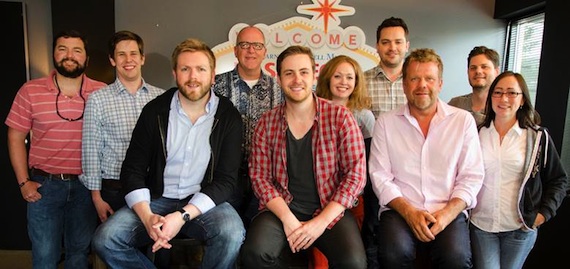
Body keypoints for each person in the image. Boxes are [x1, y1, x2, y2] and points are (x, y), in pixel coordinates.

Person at [92, 38, 245, 268]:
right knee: (105, 239)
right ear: (175, 73)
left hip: (202, 200)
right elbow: (132, 169)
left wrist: (182, 216)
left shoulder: (228, 116)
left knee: (232, 233)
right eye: (185, 69)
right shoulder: (155, 110)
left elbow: (226, 180)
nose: (193, 77)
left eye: (201, 69)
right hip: (156, 199)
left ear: (213, 75)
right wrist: (147, 217)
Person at [241, 45, 367, 269]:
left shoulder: (340, 117)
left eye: (303, 72)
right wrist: (289, 220)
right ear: (279, 79)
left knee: (354, 263)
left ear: (314, 75)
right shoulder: (266, 122)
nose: (296, 79)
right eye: (289, 73)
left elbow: (356, 175)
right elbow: (259, 178)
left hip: (328, 209)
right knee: (255, 253)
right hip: (282, 209)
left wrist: (320, 223)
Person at [368, 48, 485, 268]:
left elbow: (471, 176)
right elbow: (380, 176)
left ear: (440, 83)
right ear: (404, 84)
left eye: (429, 79)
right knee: (394, 254)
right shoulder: (386, 122)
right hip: (400, 209)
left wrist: (447, 214)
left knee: (456, 258)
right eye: (414, 78)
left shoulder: (462, 121)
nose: (422, 85)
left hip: (447, 209)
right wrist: (410, 212)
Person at [5, 30, 106, 269]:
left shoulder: (102, 92)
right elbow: (15, 137)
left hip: (86, 185)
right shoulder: (30, 90)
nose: (69, 55)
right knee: (44, 255)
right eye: (62, 49)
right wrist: (23, 182)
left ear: (87, 59)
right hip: (44, 186)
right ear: (54, 54)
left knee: (80, 253)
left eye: (77, 50)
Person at [469, 71, 569, 269]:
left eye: (512, 93)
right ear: (490, 97)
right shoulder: (476, 132)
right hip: (481, 225)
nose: (503, 98)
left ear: (522, 99)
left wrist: (543, 215)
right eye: (497, 92)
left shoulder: (537, 137)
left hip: (519, 227)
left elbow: (559, 180)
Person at [81, 30, 164, 222]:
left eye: (134, 53)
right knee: (111, 244)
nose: (128, 60)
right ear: (112, 60)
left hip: (153, 189)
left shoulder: (162, 98)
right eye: (121, 54)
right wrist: (96, 198)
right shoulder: (98, 99)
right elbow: (91, 150)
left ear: (142, 58)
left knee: (155, 247)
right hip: (114, 190)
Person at [213, 25, 282, 226]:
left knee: (257, 233)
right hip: (225, 175)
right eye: (244, 44)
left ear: (264, 52)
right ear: (235, 50)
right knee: (229, 231)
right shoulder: (215, 86)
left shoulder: (278, 90)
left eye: (257, 45)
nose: (251, 50)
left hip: (265, 177)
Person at [364, 16, 410, 118]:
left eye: (398, 42)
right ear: (377, 46)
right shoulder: (361, 81)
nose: (392, 48)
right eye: (385, 42)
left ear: (407, 46)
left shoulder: (417, 81)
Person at [448, 46, 501, 125]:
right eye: (473, 68)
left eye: (484, 67)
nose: (478, 71)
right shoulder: (455, 105)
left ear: (496, 72)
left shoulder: (502, 109)